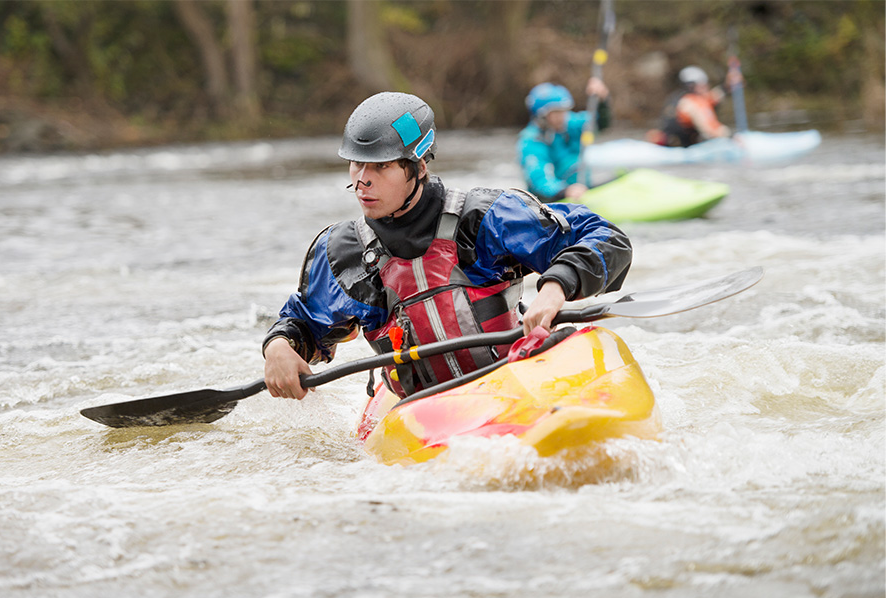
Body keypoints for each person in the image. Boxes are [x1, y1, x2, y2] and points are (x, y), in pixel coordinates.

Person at [263, 91, 632, 401]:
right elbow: (304, 324)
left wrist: (556, 287)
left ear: (419, 166)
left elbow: (605, 237)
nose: (362, 181)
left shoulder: (485, 217)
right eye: (356, 164)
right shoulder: (344, 253)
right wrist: (280, 345)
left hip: (513, 382)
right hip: (422, 410)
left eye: (381, 166)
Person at [516, 78, 611, 203]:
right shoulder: (531, 140)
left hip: (581, 190)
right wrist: (564, 191)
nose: (561, 117)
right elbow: (539, 178)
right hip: (552, 199)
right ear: (541, 116)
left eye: (563, 111)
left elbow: (599, 123)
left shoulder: (570, 123)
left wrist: (602, 101)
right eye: (555, 113)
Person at [649, 65, 741, 147]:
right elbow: (710, 129)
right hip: (682, 147)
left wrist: (727, 87)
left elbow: (712, 97)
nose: (707, 87)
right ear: (693, 86)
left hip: (673, 142)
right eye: (704, 84)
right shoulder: (694, 102)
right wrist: (731, 137)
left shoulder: (678, 98)